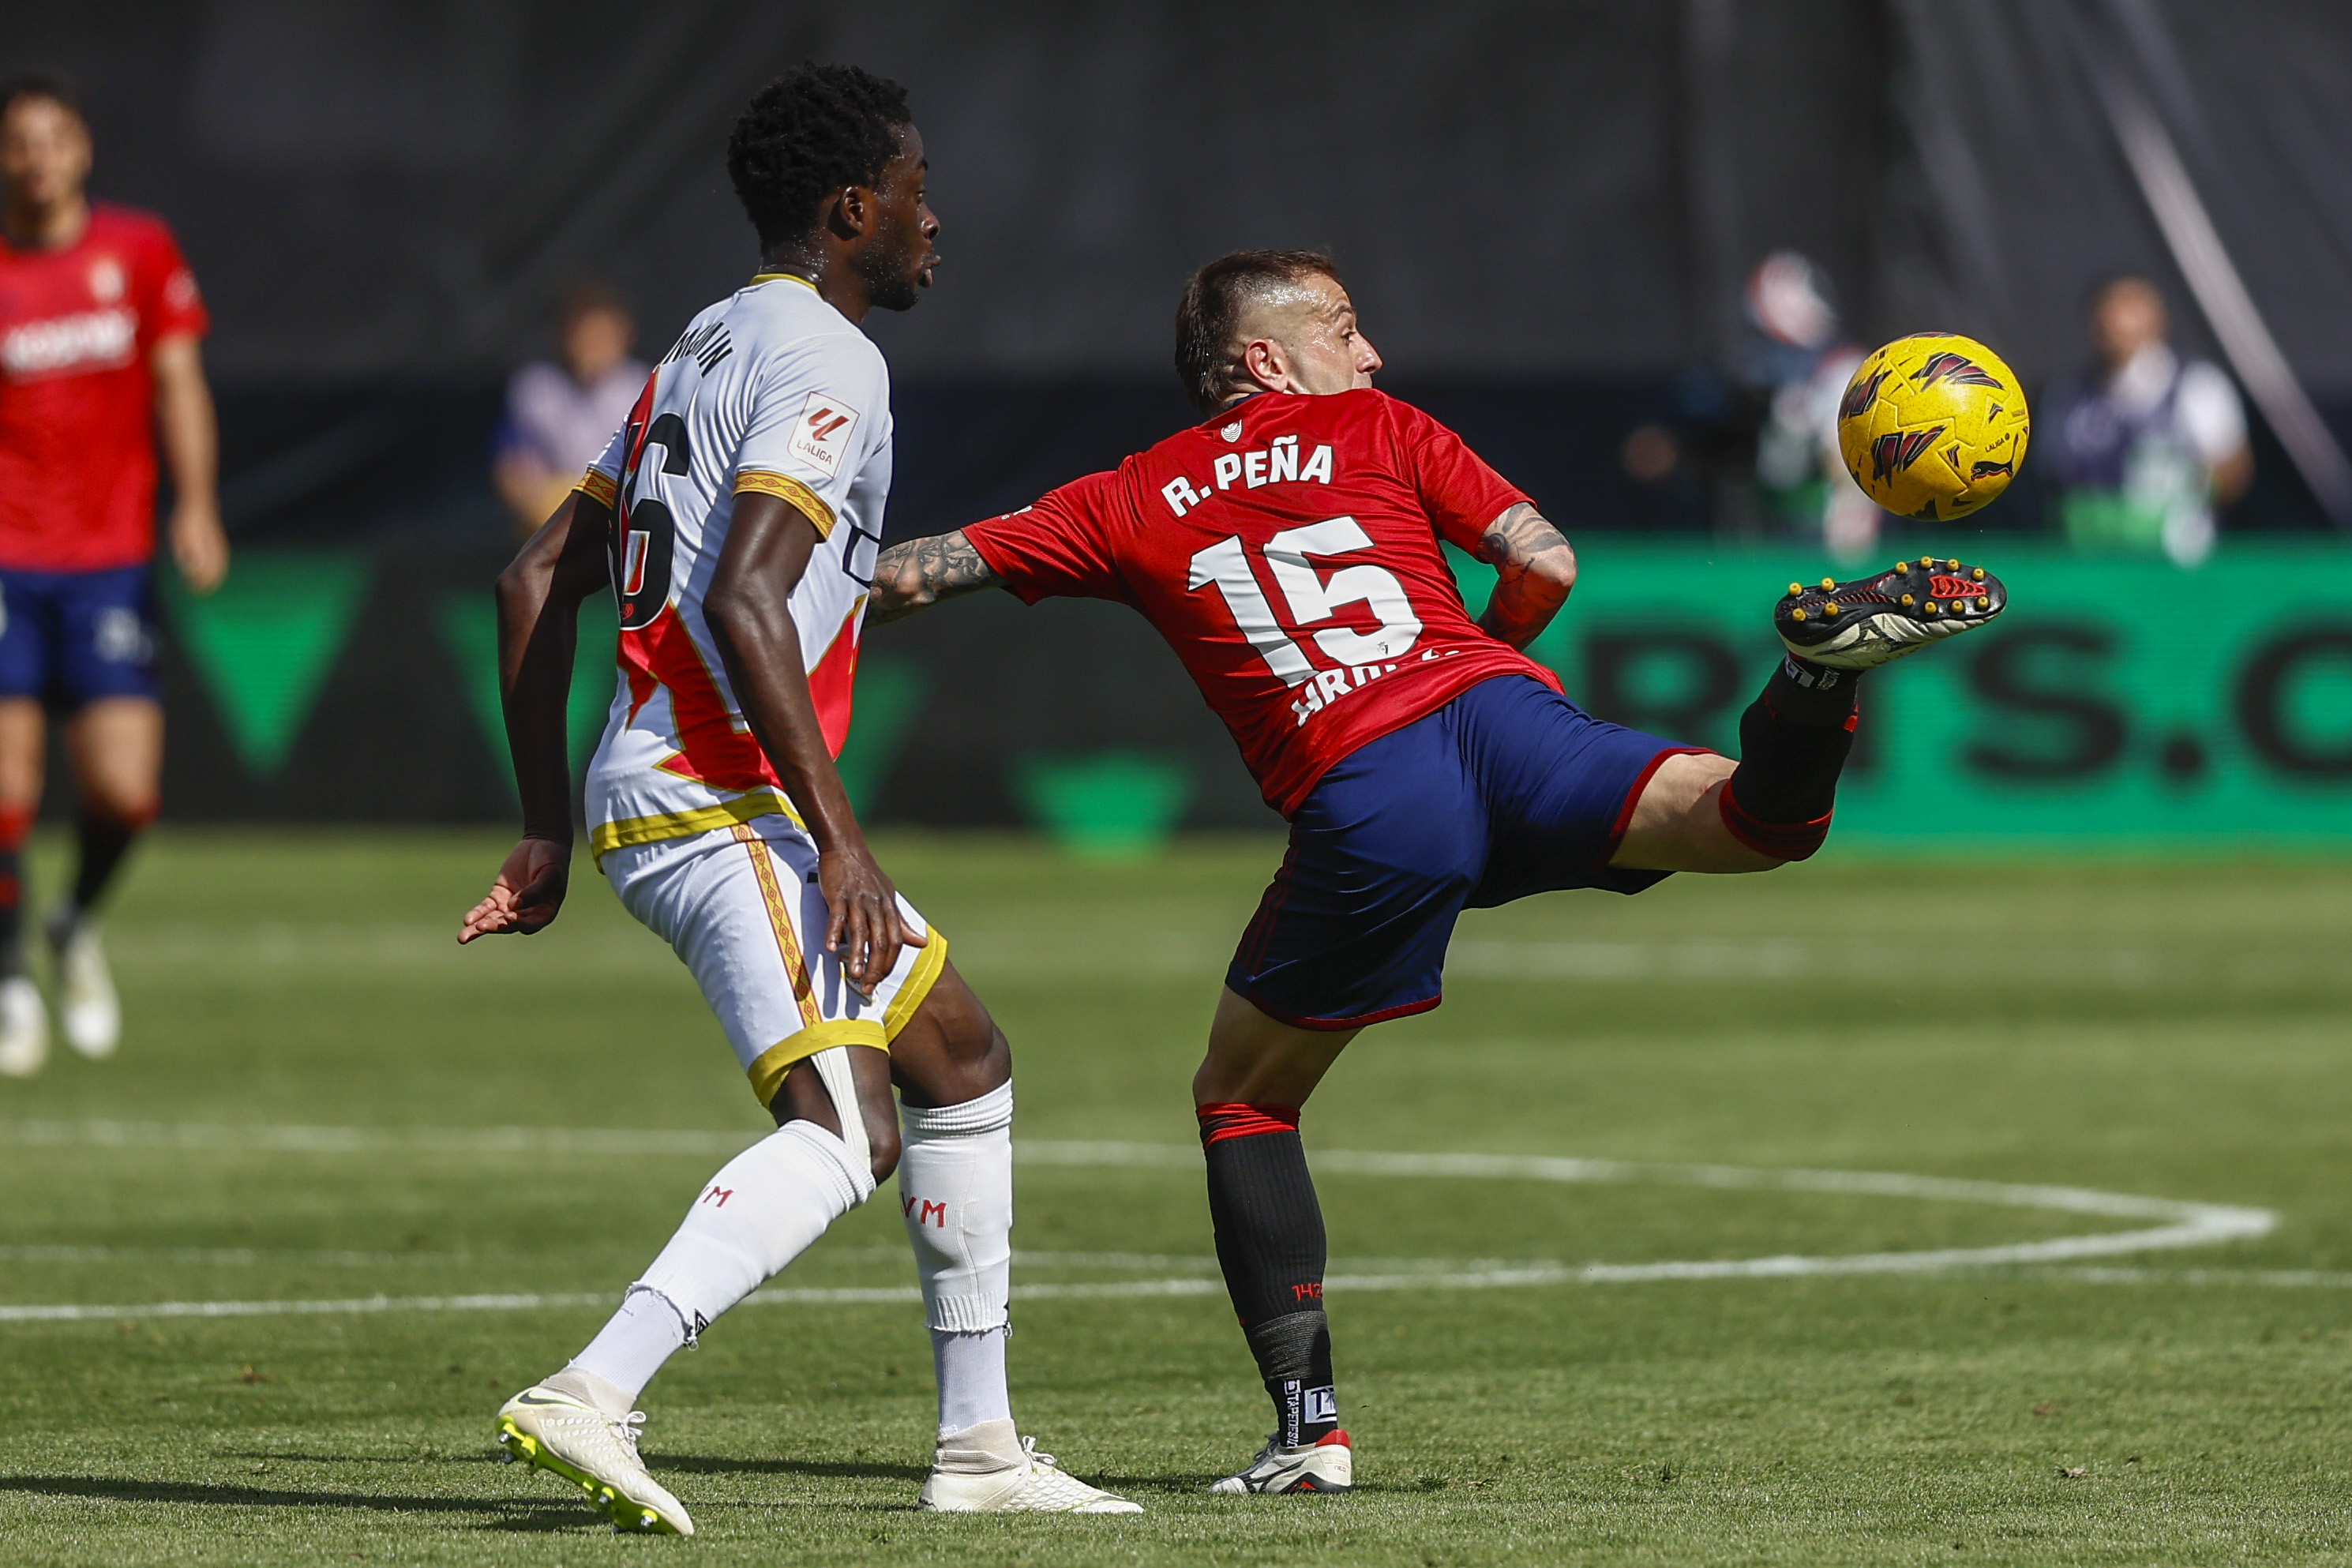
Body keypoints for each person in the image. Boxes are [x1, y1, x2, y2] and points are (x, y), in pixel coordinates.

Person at [868, 249, 2009, 1495]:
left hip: (1370, 788)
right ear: (1266, 360)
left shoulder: (1125, 496)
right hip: (1498, 718)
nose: (1368, 356)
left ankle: (1308, 1434)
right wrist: (1474, 650)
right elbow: (1548, 563)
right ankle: (1810, 678)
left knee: (1241, 1096)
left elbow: (916, 573)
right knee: (1743, 821)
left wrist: (754, 578)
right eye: (1346, 329)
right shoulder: (1378, 425)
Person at [457, 66, 1138, 1531]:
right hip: (720, 800)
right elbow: (748, 599)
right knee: (847, 1133)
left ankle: (978, 1449)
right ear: (851, 210)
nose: (930, 218)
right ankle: (593, 1389)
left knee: (961, 1057)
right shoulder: (830, 357)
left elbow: (530, 582)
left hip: (674, 789)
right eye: (911, 188)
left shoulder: (698, 347)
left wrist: (541, 825)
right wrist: (841, 842)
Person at [0, 73, 227, 1078]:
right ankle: (8, 978)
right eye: (19, 142)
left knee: (126, 792)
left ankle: (70, 919)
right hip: (7, 559)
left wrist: (197, 505)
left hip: (109, 564)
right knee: (5, 791)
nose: (37, 157)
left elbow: (180, 386)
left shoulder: (137, 253)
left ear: (83, 148)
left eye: (54, 137)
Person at [2044, 274, 2250, 568]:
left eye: (2131, 309)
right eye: (2109, 310)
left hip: (2176, 562)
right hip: (2089, 562)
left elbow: (2234, 470)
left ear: (2158, 319)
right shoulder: (2066, 396)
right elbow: (2052, 473)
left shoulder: (2196, 385)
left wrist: (2176, 498)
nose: (2118, 322)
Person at [1735, 251, 1880, 561]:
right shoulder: (1768, 379)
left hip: (1830, 530)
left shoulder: (1843, 370)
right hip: (1777, 521)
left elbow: (1840, 458)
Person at [493, 279, 648, 537]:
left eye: (603, 336)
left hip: (625, 525)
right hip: (553, 525)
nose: (594, 347)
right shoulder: (537, 387)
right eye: (586, 336)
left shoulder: (647, 389)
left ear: (625, 334)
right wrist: (537, 500)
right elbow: (510, 466)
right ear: (564, 336)